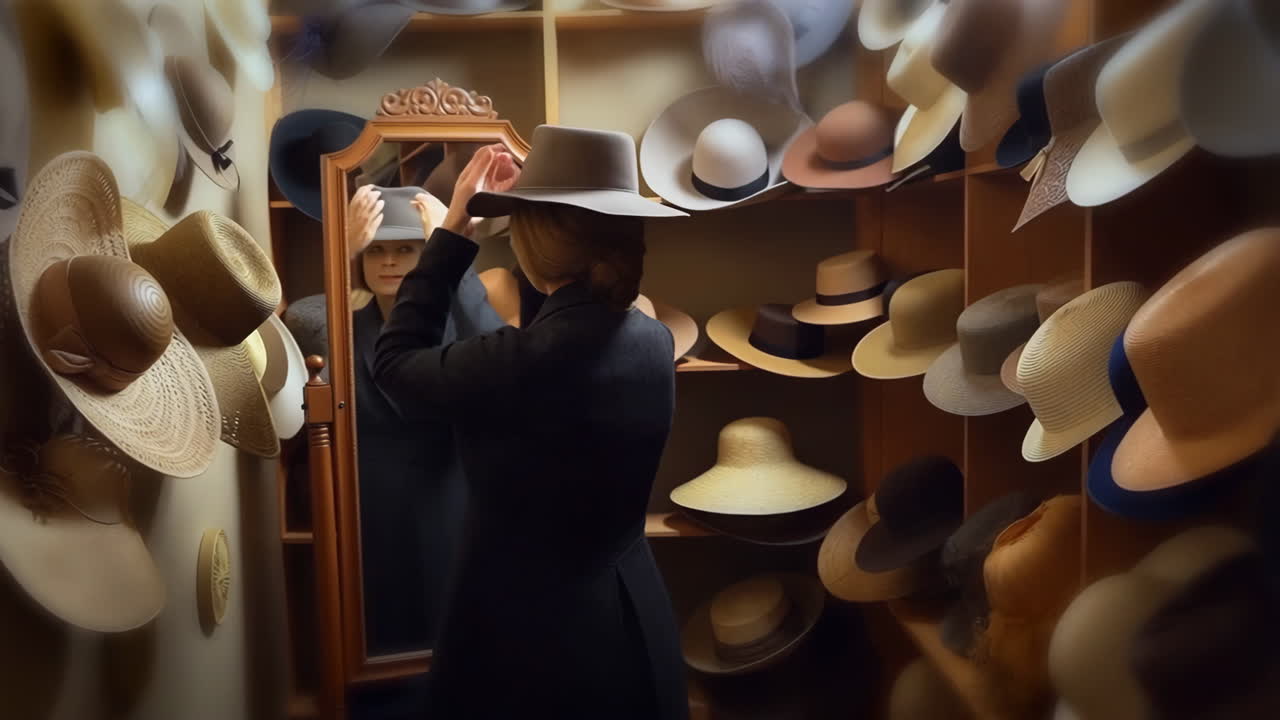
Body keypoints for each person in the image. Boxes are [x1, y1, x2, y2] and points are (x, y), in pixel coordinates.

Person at [371, 129, 690, 719]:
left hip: (531, 640)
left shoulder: (517, 364)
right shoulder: (655, 343)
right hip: (632, 614)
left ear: (533, 240)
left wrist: (450, 235)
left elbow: (392, 363)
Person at [343, 185, 508, 659]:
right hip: (372, 523)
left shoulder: (467, 327)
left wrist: (451, 257)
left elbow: (504, 365)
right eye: (376, 250)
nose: (389, 261)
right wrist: (340, 257)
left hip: (456, 510)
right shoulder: (335, 326)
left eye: (406, 249)